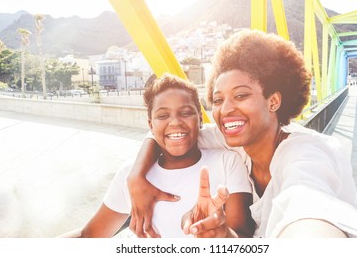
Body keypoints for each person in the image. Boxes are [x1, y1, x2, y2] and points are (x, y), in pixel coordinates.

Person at [127, 29, 357, 238]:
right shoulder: (237, 140)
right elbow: (177, 134)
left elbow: (307, 205)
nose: (226, 110)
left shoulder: (307, 152)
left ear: (273, 101)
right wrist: (136, 176)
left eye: (241, 95)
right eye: (218, 100)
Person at [60, 73, 254, 238]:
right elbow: (90, 236)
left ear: (200, 119)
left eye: (186, 113)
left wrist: (220, 233)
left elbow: (243, 234)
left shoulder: (227, 161)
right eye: (162, 116)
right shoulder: (129, 176)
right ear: (150, 125)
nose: (175, 122)